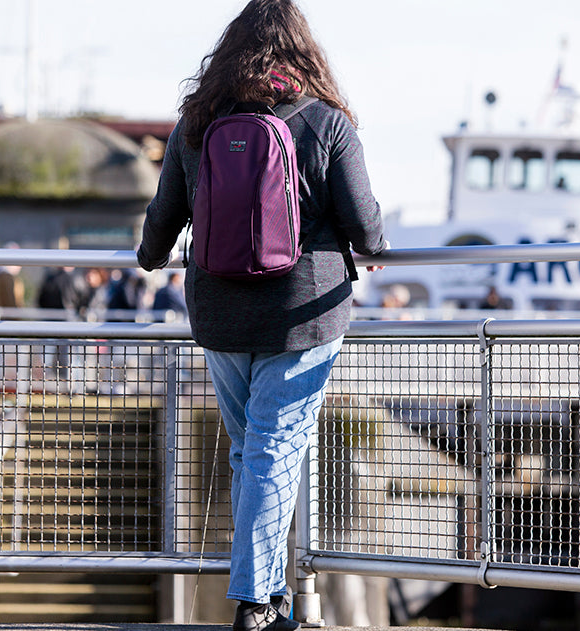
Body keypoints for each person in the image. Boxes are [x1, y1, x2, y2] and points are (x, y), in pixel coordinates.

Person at [136, 2, 386, 629]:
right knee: (273, 450)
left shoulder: (199, 123)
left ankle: (270, 596)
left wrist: (149, 257)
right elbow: (365, 227)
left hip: (219, 312)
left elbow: (161, 223)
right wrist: (376, 245)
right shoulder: (325, 121)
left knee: (252, 449)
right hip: (303, 311)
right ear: (305, 51)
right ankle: (255, 602)